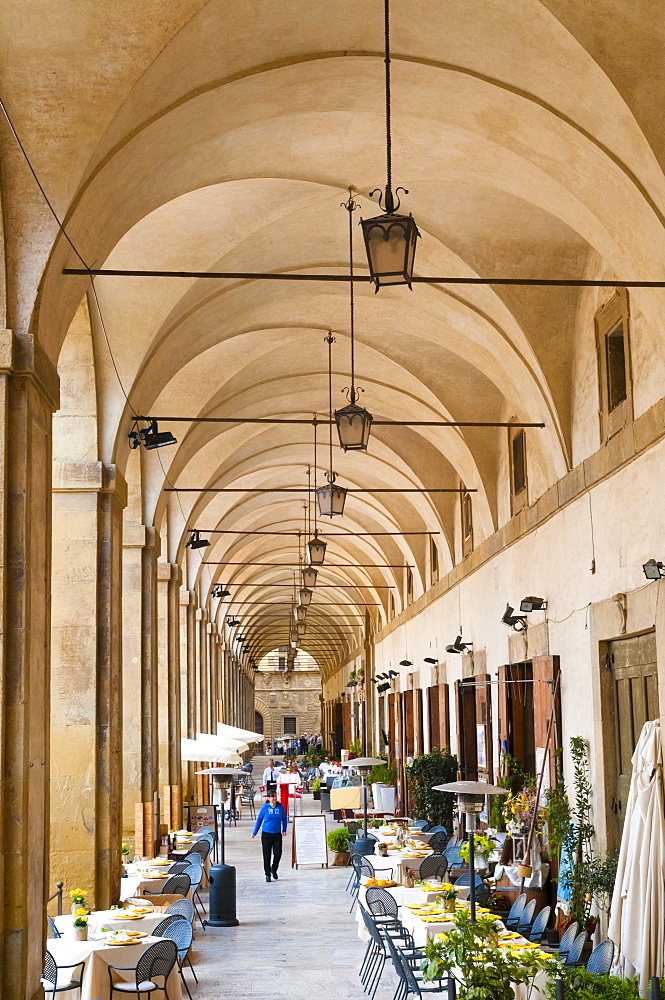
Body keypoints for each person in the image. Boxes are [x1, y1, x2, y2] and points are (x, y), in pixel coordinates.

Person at [252, 789, 288, 881]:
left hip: (277, 834)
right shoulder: (265, 807)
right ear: (268, 798)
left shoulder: (280, 807)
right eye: (272, 796)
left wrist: (284, 829)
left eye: (275, 796)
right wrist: (254, 832)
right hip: (266, 834)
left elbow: (284, 818)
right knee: (267, 854)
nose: (274, 798)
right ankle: (267, 873)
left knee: (278, 853)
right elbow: (259, 819)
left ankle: (274, 869)